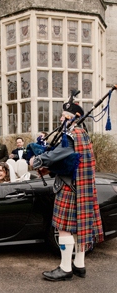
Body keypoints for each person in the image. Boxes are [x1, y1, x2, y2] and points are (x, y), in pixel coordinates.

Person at [44, 101, 103, 281]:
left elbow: (55, 156)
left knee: (64, 229)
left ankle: (65, 268)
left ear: (71, 118)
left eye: (63, 116)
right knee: (79, 228)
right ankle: (79, 265)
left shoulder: (70, 136)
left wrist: (38, 160)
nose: (61, 119)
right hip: (81, 188)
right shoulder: (82, 134)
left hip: (68, 187)